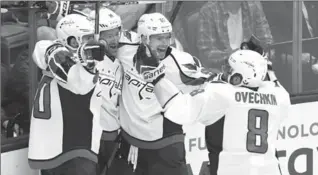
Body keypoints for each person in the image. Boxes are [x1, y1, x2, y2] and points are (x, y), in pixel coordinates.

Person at [139, 46, 291, 175]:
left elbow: (177, 108)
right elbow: (272, 81)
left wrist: (157, 78)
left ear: (239, 78)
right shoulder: (278, 95)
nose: (224, 70)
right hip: (269, 170)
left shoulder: (222, 93)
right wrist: (264, 63)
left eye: (229, 69)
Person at [116, 12, 211, 175]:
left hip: (167, 143)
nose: (165, 43)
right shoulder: (125, 48)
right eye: (159, 38)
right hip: (131, 143)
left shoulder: (179, 61)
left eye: (167, 37)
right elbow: (103, 37)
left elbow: (207, 80)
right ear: (144, 38)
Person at [28, 14, 105, 175]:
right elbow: (74, 78)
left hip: (71, 148)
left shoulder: (89, 65)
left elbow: (80, 84)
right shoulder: (57, 55)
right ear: (72, 41)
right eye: (86, 38)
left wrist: (87, 64)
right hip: (68, 147)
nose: (91, 43)